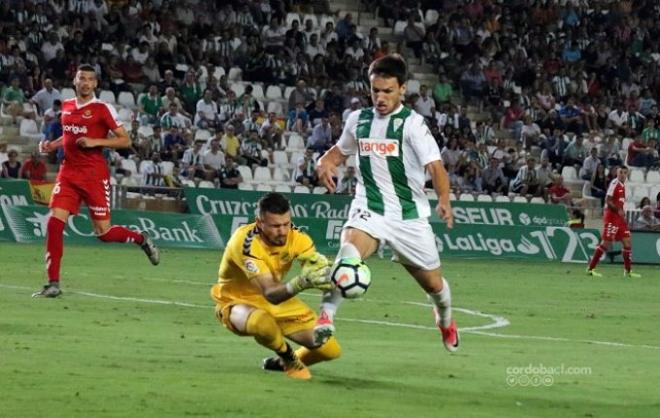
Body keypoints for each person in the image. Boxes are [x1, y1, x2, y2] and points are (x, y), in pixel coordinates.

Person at [313, 54, 459, 352]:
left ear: (402, 89)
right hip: (369, 209)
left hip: (408, 217)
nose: (380, 97)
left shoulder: (413, 125)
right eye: (375, 90)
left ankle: (444, 319)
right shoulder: (358, 120)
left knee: (433, 285)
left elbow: (436, 168)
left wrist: (443, 199)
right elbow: (339, 152)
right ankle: (325, 318)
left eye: (387, 91)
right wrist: (324, 163)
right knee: (347, 257)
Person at [34, 64, 160, 298]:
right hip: (69, 173)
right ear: (75, 81)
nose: (85, 83)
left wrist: (96, 142)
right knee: (53, 223)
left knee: (104, 233)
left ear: (95, 84)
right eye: (82, 78)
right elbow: (69, 135)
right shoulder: (68, 106)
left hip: (94, 176)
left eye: (90, 79)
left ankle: (141, 239)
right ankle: (53, 283)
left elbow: (125, 141)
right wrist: (53, 145)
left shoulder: (103, 109)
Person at [210, 193, 340, 380]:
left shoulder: (298, 238)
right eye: (275, 226)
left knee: (330, 349)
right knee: (260, 322)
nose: (283, 231)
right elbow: (270, 293)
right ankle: (287, 358)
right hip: (236, 301)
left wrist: (332, 277)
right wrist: (302, 282)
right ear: (259, 222)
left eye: (286, 224)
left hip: (279, 300)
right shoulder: (245, 242)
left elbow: (316, 272)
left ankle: (278, 364)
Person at [586, 166, 640, 278]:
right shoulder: (614, 183)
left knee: (627, 242)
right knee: (606, 243)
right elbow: (608, 200)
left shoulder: (622, 186)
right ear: (617, 173)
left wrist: (620, 212)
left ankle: (628, 271)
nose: (623, 175)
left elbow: (618, 202)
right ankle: (590, 268)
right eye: (621, 172)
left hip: (619, 218)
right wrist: (618, 210)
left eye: (625, 173)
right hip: (611, 216)